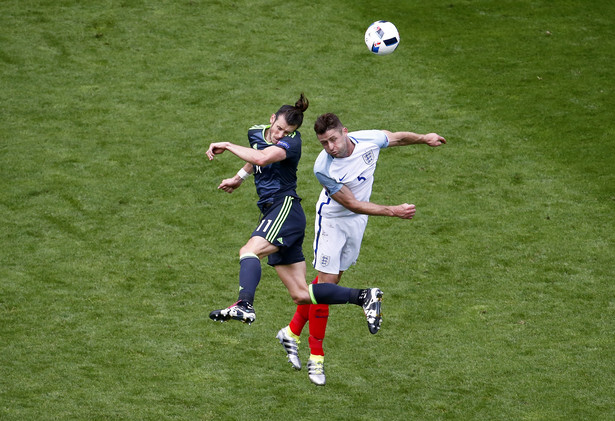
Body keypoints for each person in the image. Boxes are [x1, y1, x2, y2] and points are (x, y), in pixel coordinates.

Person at [276, 112, 446, 385]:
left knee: (328, 284)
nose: (330, 147)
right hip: (332, 221)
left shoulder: (368, 139)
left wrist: (424, 138)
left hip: (358, 222)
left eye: (333, 139)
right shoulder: (324, 168)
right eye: (324, 143)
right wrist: (393, 211)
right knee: (327, 287)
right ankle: (316, 358)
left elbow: (398, 138)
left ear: (345, 132)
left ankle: (291, 331)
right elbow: (352, 203)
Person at [206, 96, 384, 346]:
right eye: (278, 128)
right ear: (271, 119)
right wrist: (239, 177)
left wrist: (226, 143)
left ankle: (244, 304)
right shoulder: (255, 132)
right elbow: (256, 154)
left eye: (287, 131)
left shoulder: (293, 143)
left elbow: (262, 158)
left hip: (285, 208)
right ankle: (364, 296)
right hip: (271, 211)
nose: (280, 135)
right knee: (301, 295)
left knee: (249, 251)